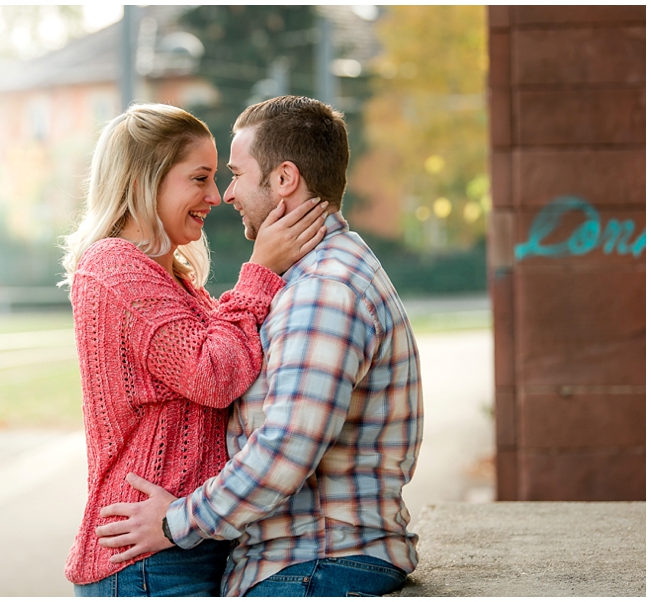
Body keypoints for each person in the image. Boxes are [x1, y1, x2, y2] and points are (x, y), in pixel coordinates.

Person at [95, 95, 424, 597]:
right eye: (205, 178)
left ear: (284, 179)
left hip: (316, 560)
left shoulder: (323, 291)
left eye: (234, 173)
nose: (226, 194)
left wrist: (176, 521)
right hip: (305, 561)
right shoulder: (308, 279)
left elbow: (285, 448)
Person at [59, 102, 329, 597]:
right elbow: (214, 374)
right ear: (147, 179)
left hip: (182, 541)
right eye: (199, 179)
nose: (215, 196)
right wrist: (261, 271)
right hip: (145, 560)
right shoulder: (114, 268)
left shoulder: (174, 277)